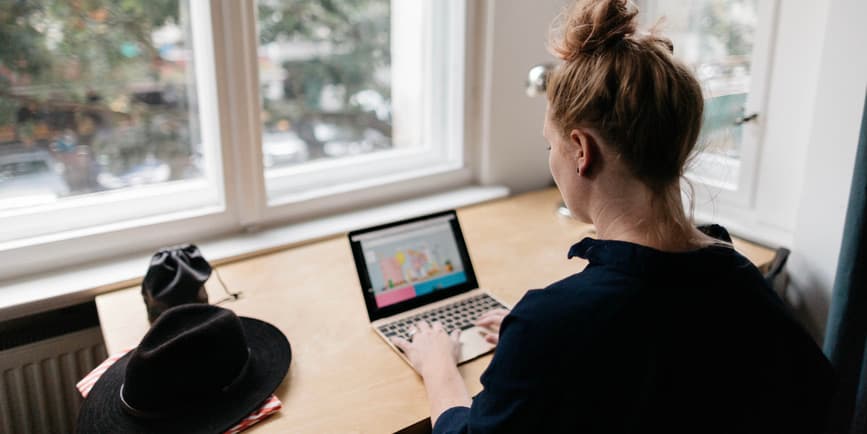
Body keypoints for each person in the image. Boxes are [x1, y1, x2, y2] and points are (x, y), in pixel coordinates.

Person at [389, 0, 835, 432]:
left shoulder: (551, 322)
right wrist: (529, 357)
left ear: (582, 151)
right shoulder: (739, 278)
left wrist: (439, 367)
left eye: (551, 146)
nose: (552, 159)